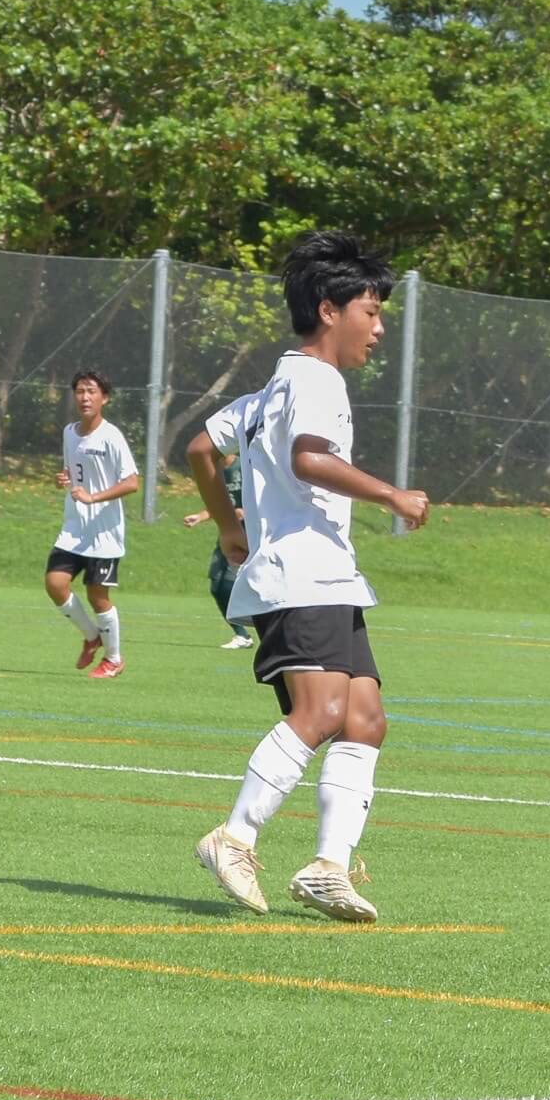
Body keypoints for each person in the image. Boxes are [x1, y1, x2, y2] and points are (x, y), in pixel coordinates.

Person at [186, 232, 429, 922]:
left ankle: (328, 867)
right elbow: (310, 458)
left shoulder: (271, 388)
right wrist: (392, 495)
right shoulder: (318, 381)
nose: (378, 329)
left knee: (365, 719)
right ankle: (234, 836)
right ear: (330, 309)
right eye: (371, 312)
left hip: (327, 576)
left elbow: (201, 448)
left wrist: (229, 525)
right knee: (320, 712)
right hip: (301, 575)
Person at [44, 370, 139, 680]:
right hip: (74, 529)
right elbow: (73, 472)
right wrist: (63, 479)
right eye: (80, 391)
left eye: (91, 392)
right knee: (55, 584)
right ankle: (91, 636)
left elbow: (132, 482)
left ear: (104, 398)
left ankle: (114, 659)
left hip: (104, 533)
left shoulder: (112, 436)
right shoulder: (69, 433)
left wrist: (93, 497)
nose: (85, 397)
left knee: (98, 597)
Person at [181, 453, 255, 649]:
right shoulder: (217, 472)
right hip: (229, 533)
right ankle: (242, 635)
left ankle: (267, 628)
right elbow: (219, 505)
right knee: (217, 585)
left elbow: (265, 498)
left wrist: (246, 512)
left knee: (236, 583)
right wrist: (200, 517)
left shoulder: (245, 466)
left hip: (250, 533)